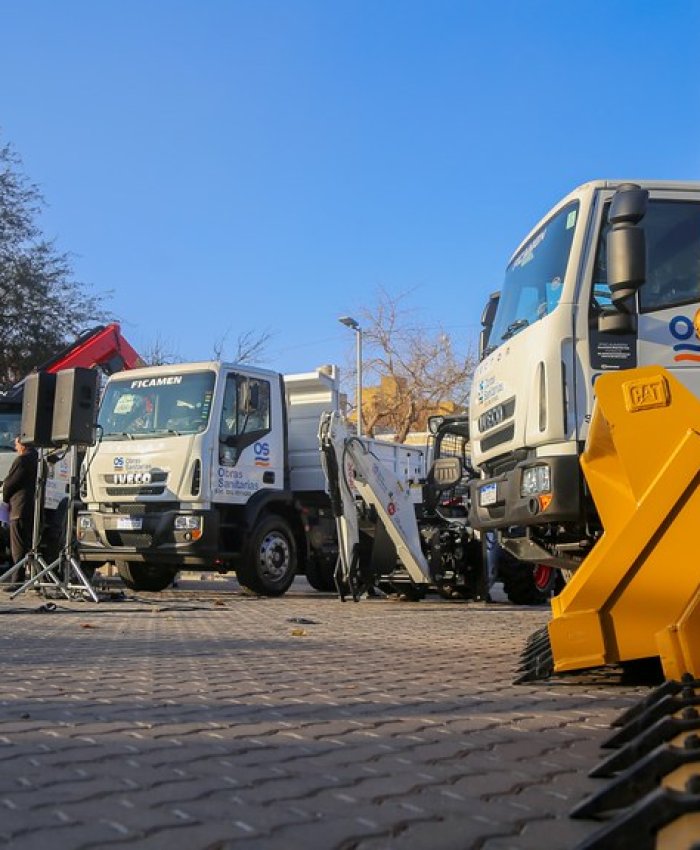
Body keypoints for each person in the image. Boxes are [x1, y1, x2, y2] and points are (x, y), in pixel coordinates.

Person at [2, 436, 38, 585]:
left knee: (17, 546)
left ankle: (17, 580)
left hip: (19, 507)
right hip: (32, 507)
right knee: (26, 543)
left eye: (16, 445)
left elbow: (10, 484)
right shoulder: (39, 459)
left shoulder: (22, 460)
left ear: (23, 446)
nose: (16, 448)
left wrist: (4, 498)